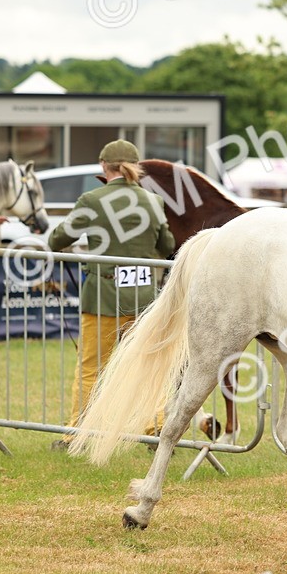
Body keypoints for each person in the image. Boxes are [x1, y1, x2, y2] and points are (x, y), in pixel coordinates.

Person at [47, 139, 174, 451]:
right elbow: (168, 247)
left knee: (91, 367)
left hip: (103, 297)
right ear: (135, 167)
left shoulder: (92, 199)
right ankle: (155, 429)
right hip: (144, 299)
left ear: (104, 166)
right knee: (149, 366)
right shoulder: (152, 202)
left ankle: (77, 432)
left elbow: (57, 238)